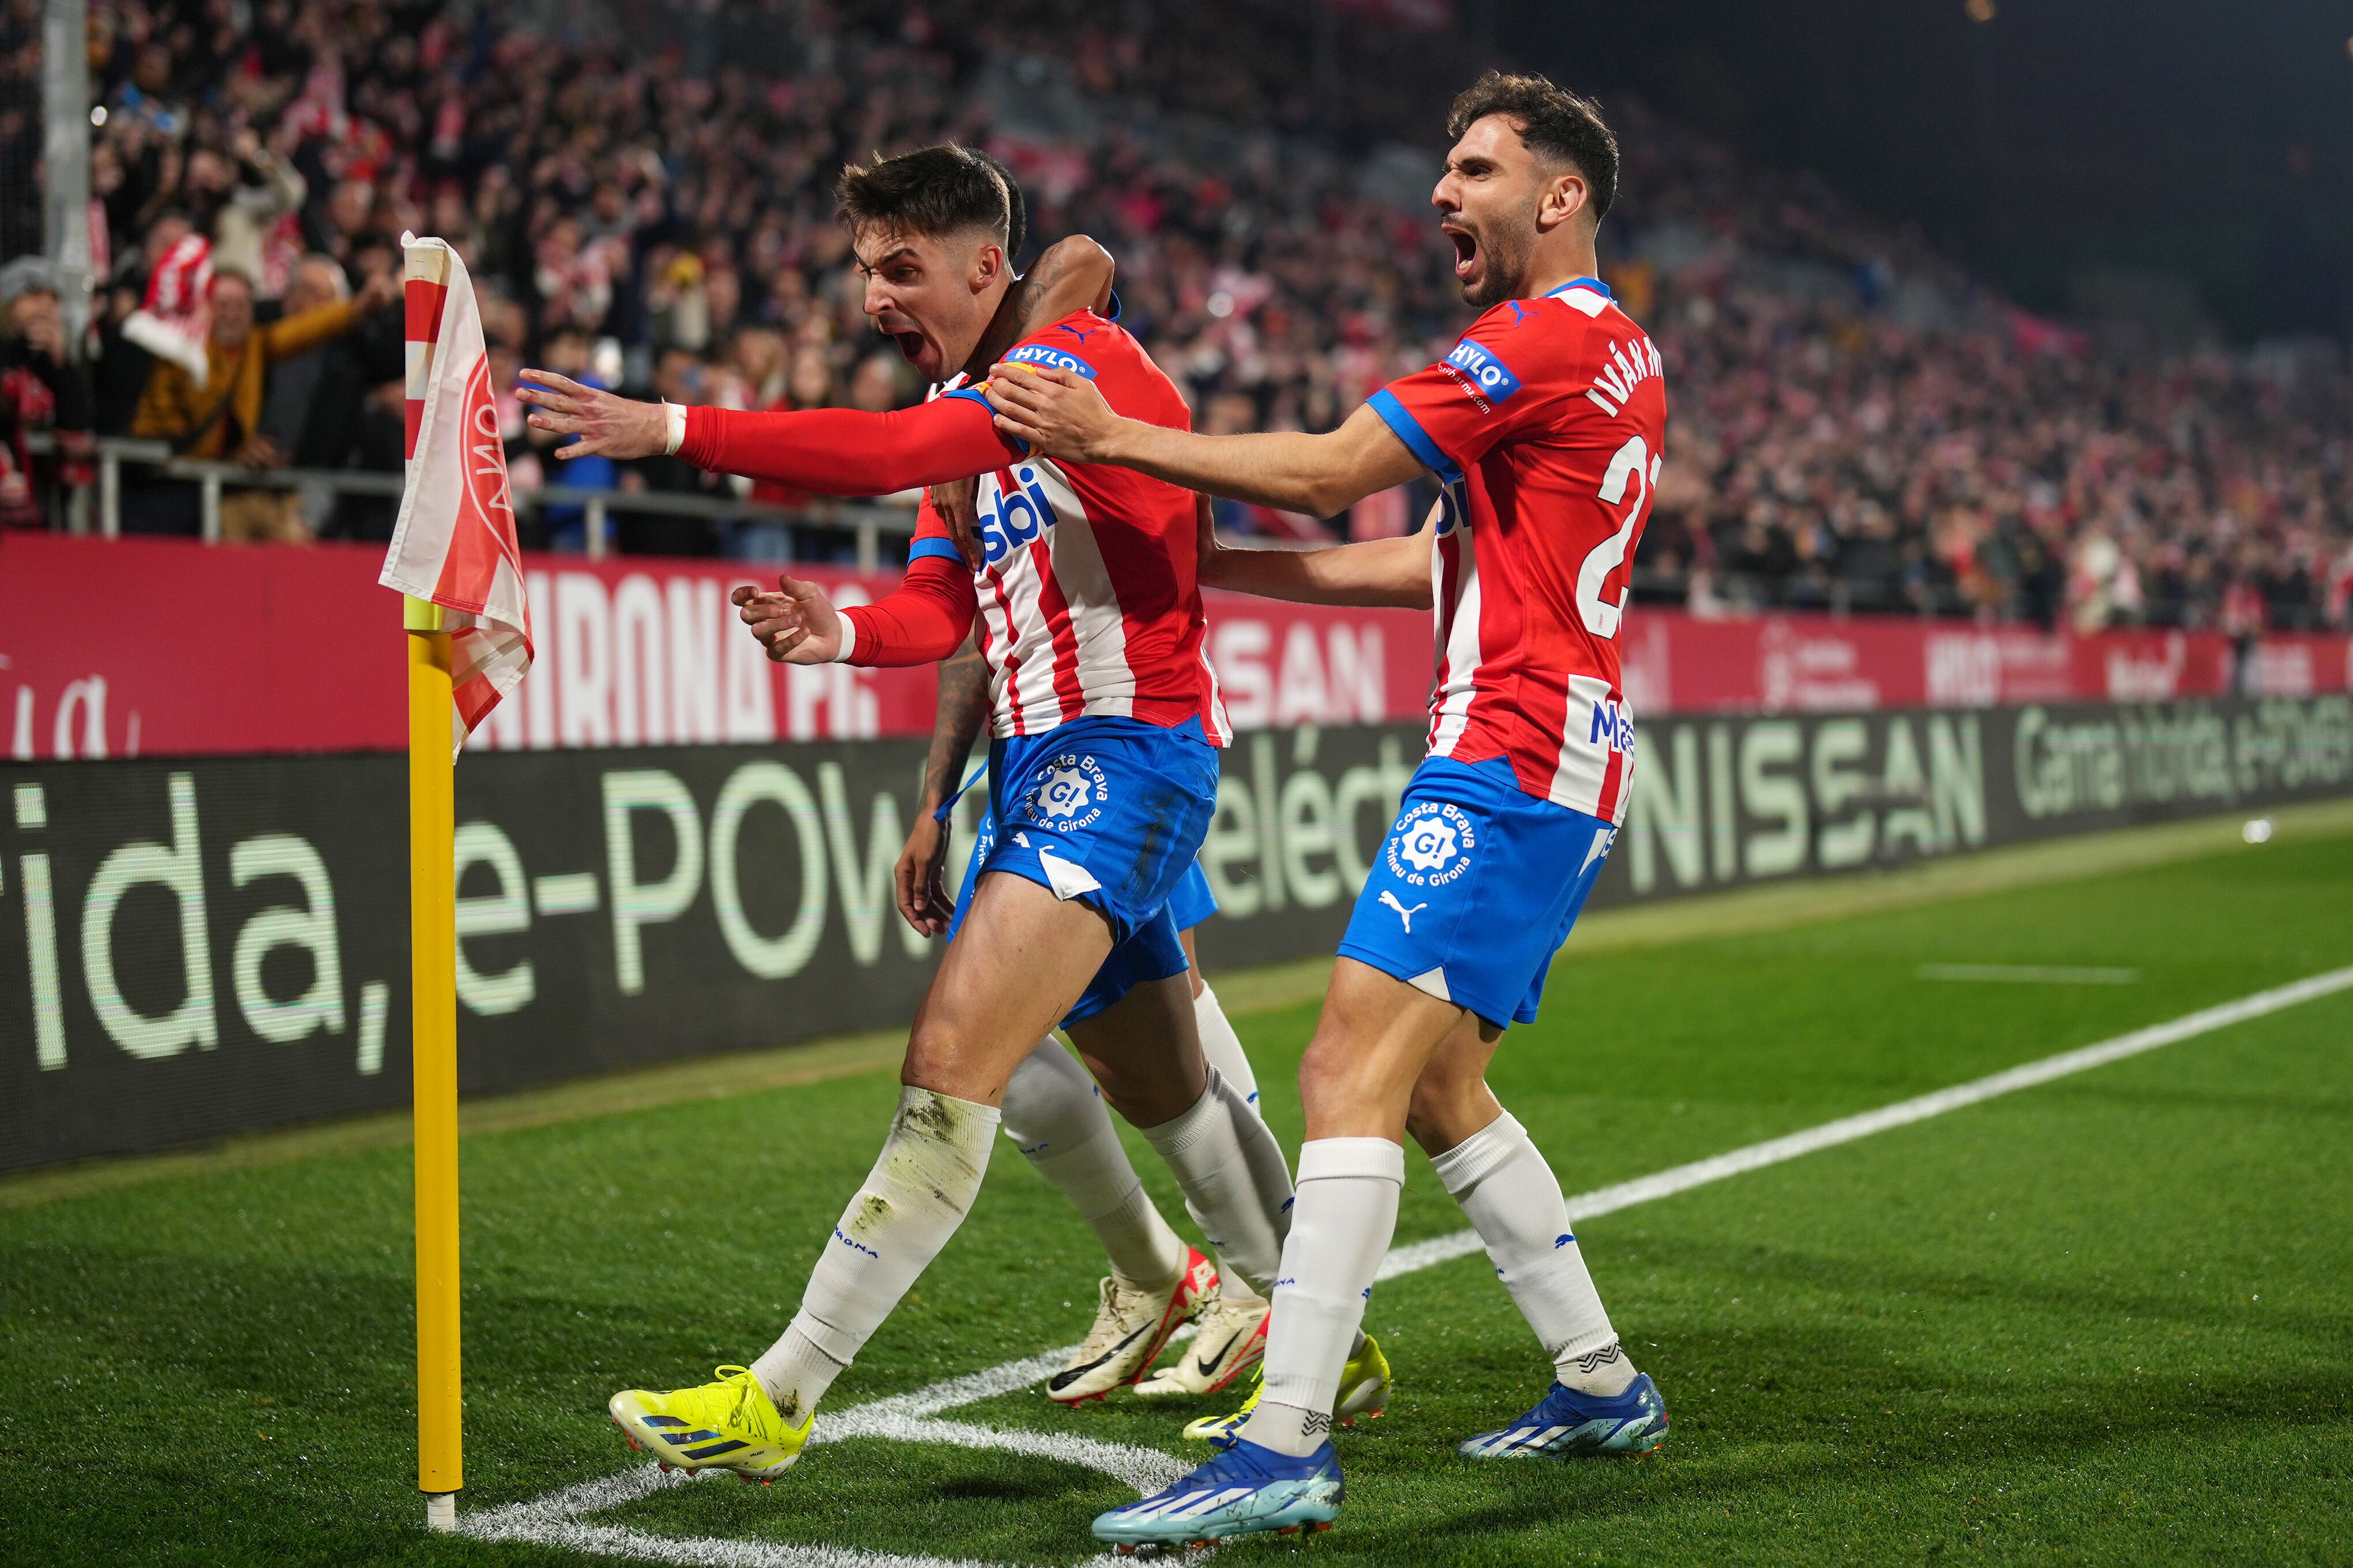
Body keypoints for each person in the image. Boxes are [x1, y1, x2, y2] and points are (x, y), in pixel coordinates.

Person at [515, 142, 1297, 1480]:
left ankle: (778, 1395)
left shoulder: (1062, 367)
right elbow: (945, 604)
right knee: (1166, 1091)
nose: (874, 295)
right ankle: (1312, 1327)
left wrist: (676, 428)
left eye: (901, 268)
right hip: (1047, 767)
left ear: (984, 264)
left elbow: (883, 453)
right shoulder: (969, 402)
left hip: (1120, 755)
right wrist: (839, 634)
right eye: (865, 268)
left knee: (954, 1062)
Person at [985, 72, 1669, 1546]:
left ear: (1558, 198)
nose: (1440, 189)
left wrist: (1111, 440)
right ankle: (1596, 1377)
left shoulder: (1530, 341)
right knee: (1435, 1086)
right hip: (1562, 744)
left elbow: (1334, 474)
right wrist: (1201, 555)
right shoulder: (1620, 353)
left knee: (1345, 1065)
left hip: (1506, 749)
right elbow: (1418, 569)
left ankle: (1285, 1437)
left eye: (1474, 167)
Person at [127, 262, 396, 538]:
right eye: (223, 304)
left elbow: (307, 328)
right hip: (162, 491)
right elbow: (159, 432)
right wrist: (230, 456)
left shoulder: (254, 346)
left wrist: (359, 307)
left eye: (241, 305)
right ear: (205, 307)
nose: (232, 315)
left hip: (221, 489)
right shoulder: (179, 352)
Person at [1, 256, 95, 531]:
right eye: (33, 295)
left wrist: (60, 363)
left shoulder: (56, 364)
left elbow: (78, 425)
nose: (45, 305)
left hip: (40, 510)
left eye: (54, 298)